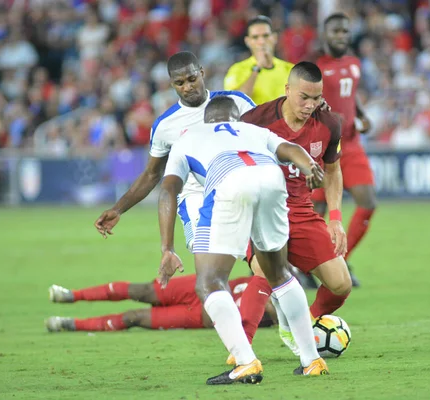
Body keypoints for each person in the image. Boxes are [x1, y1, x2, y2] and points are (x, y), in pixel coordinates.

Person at [158, 96, 329, 385]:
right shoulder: (252, 130)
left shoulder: (188, 137)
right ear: (236, 118)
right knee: (279, 273)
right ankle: (312, 360)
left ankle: (246, 361)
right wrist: (310, 166)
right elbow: (289, 149)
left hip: (230, 181)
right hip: (272, 178)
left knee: (209, 282)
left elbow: (168, 191)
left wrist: (167, 247)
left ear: (206, 120)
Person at [236, 61, 352, 359]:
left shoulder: (329, 124)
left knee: (341, 284)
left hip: (301, 210)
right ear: (287, 90)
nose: (311, 105)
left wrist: (336, 219)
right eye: (304, 97)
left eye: (317, 98)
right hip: (261, 210)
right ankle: (240, 350)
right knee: (265, 271)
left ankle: (298, 322)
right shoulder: (255, 120)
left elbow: (334, 171)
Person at [94, 51, 255, 251]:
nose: (187, 87)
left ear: (202, 73)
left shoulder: (237, 102)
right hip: (196, 196)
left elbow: (265, 142)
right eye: (180, 83)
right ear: (172, 85)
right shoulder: (165, 125)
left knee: (262, 263)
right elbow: (152, 174)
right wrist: (118, 209)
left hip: (243, 190)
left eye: (192, 79)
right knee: (208, 263)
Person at [310, 13, 377, 286]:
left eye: (345, 31)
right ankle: (312, 267)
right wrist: (326, 117)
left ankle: (340, 260)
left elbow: (351, 94)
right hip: (323, 149)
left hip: (351, 145)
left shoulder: (354, 64)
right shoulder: (314, 67)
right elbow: (305, 102)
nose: (341, 36)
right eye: (336, 31)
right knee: (316, 212)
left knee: (368, 202)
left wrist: (361, 114)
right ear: (325, 35)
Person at [45, 275, 276, 332]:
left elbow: (272, 313)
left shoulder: (279, 309)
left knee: (134, 318)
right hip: (203, 285)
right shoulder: (267, 273)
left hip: (199, 314)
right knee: (143, 290)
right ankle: (72, 294)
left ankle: (71, 324)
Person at [224, 16, 294, 105]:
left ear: (275, 38)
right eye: (255, 37)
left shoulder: (290, 69)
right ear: (247, 41)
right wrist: (257, 68)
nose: (261, 42)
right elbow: (236, 102)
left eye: (266, 36)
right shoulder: (237, 70)